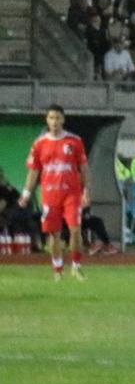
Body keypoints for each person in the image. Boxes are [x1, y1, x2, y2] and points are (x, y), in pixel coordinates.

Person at [22, 105, 88, 281]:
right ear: (47, 120)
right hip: (50, 194)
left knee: (75, 229)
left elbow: (83, 168)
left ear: (63, 120)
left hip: (71, 193)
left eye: (58, 118)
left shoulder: (74, 141)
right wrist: (26, 193)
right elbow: (34, 171)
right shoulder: (39, 143)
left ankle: (76, 265)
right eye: (51, 118)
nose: (55, 121)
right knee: (54, 233)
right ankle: (58, 269)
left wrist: (86, 190)